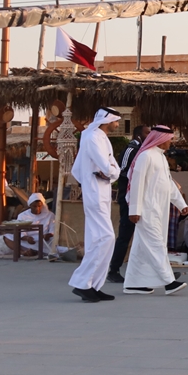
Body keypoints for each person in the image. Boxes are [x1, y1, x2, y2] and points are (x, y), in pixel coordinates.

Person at [123, 126, 188, 296]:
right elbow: (136, 183)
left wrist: (181, 204)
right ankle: (169, 282)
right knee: (156, 245)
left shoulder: (160, 157)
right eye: (169, 139)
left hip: (160, 209)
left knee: (140, 248)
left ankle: (133, 283)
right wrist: (134, 209)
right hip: (146, 209)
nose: (171, 142)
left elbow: (168, 185)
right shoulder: (145, 156)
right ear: (160, 138)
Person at [68, 107, 123, 303]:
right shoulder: (91, 137)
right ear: (108, 120)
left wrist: (111, 172)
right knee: (107, 238)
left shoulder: (101, 137)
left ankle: (92, 286)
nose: (117, 124)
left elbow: (113, 167)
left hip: (102, 192)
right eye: (116, 120)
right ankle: (82, 282)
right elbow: (107, 166)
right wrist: (111, 172)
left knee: (96, 241)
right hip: (95, 193)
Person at [108, 125, 149, 283]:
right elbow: (122, 171)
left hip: (140, 197)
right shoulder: (131, 149)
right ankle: (114, 269)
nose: (149, 135)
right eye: (147, 133)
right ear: (138, 134)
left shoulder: (144, 151)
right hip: (129, 198)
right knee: (125, 234)